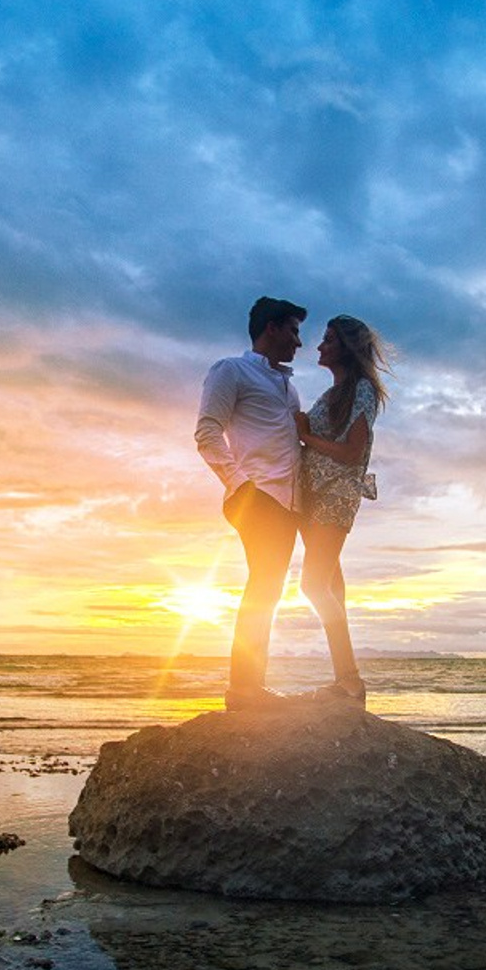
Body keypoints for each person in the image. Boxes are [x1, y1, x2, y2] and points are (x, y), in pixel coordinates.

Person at [195, 296, 307, 711]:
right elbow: (207, 432)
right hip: (257, 496)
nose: (299, 341)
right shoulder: (231, 370)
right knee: (263, 586)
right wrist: (240, 485)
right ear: (272, 328)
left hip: (289, 503)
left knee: (268, 589)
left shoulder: (288, 387)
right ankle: (243, 691)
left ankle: (250, 688)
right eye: (293, 331)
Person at [294, 315, 389, 706]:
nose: (319, 347)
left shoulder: (362, 390)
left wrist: (306, 436)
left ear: (346, 348)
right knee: (332, 589)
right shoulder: (334, 393)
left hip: (335, 495)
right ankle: (346, 683)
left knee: (313, 585)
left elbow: (352, 454)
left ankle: (350, 680)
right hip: (315, 496)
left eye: (328, 340)